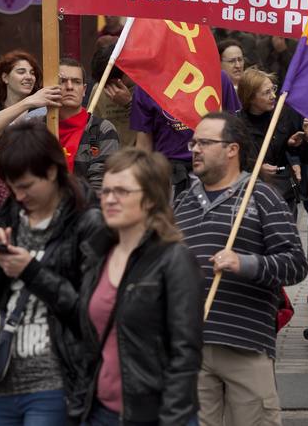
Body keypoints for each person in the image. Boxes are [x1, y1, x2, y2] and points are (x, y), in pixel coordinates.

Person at [174, 111, 308, 426]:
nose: (195, 149)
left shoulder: (262, 197)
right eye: (194, 142)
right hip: (192, 346)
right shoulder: (183, 203)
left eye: (205, 142)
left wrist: (244, 262)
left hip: (245, 345)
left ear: (232, 149)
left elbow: (296, 265)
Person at [0, 119, 101, 425]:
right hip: (4, 379)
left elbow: (89, 311)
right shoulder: (11, 214)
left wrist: (31, 271)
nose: (19, 196)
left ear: (53, 171)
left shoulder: (86, 222)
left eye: (27, 186)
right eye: (13, 186)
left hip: (56, 380)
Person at [77, 148, 203, 425]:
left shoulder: (174, 259)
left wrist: (173, 417)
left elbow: (185, 352)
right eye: (106, 191)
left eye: (122, 191)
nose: (109, 199)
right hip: (98, 412)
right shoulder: (97, 253)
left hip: (154, 414)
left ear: (149, 198)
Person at [0, 51, 54, 220]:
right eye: (21, 71)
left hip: (31, 191)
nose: (29, 77)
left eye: (32, 73)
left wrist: (30, 103)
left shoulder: (44, 113)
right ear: (5, 78)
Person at [130, 71, 239, 197]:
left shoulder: (217, 75)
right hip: (167, 176)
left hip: (214, 171)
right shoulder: (146, 83)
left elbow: (233, 133)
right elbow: (144, 146)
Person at [27, 58, 120, 194]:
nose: (69, 87)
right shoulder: (35, 127)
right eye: (62, 81)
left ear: (84, 90)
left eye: (76, 82)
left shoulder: (100, 129)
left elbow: (101, 182)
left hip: (85, 208)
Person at [236, 67, 308, 214]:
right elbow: (234, 160)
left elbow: (307, 156)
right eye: (266, 92)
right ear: (250, 98)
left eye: (273, 89)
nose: (273, 96)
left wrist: (301, 142)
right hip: (250, 195)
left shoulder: (283, 115)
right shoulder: (237, 123)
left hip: (283, 193)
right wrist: (257, 169)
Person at [90, 42, 136, 147]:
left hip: (137, 157)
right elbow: (93, 130)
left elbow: (154, 128)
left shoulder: (145, 90)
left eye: (112, 83)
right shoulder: (99, 89)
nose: (110, 89)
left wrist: (130, 104)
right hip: (107, 157)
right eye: (104, 84)